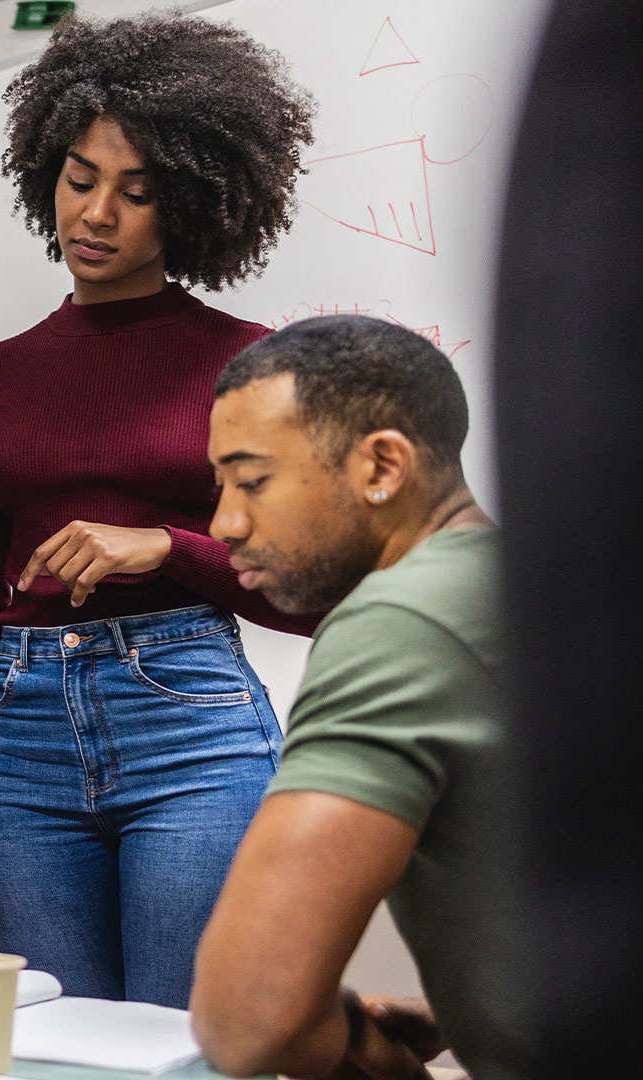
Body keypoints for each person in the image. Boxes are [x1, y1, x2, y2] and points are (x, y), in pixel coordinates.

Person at [0, 11, 318, 1007]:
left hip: (190, 729)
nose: (96, 215)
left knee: (183, 1045)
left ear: (190, 204)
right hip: (20, 748)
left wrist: (165, 547)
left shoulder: (249, 364)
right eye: (79, 179)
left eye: (137, 193)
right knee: (63, 1051)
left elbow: (308, 596)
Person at [190, 316, 503, 1079]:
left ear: (382, 466)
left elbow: (249, 1019)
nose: (224, 523)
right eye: (220, 487)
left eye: (252, 481)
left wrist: (375, 1060)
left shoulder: (401, 620)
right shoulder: (517, 582)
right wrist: (471, 1014)